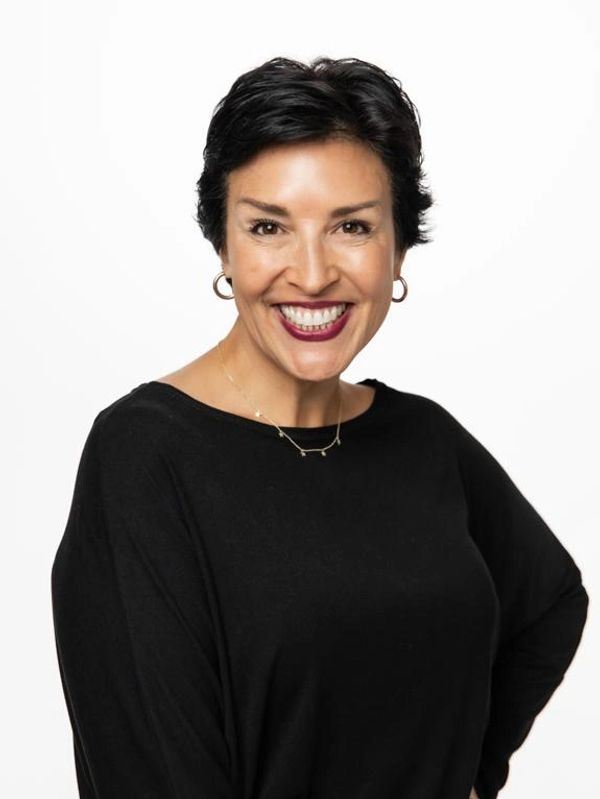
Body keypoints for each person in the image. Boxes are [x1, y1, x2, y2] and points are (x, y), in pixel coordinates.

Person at [51, 56, 589, 799]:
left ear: (397, 248)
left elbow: (550, 599)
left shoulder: (422, 437)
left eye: (352, 227)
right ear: (223, 246)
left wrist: (468, 774)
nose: (310, 274)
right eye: (269, 226)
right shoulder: (146, 456)